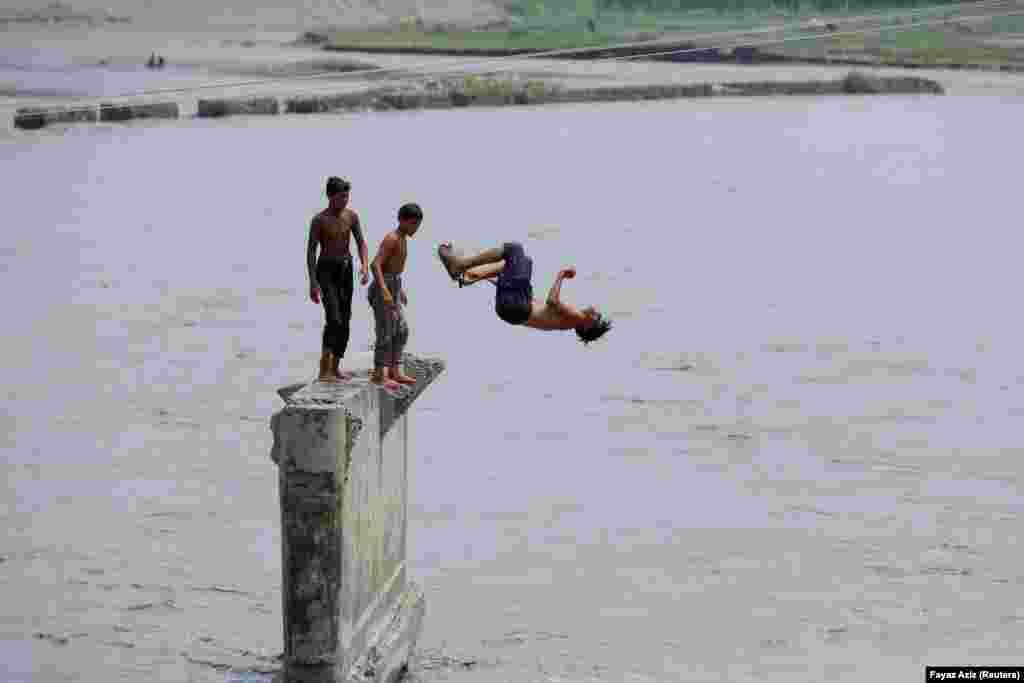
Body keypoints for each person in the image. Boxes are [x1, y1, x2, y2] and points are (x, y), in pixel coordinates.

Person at [437, 241, 612, 344]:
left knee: (514, 250)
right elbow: (537, 306)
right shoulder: (565, 322)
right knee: (523, 262)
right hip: (512, 310)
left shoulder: (577, 318)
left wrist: (561, 275)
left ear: (587, 326)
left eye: (596, 318)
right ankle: (469, 275)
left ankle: (460, 265)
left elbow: (552, 301)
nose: (595, 312)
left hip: (518, 307)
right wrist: (487, 279)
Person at [307, 176, 370, 382]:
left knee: (345, 319)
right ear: (330, 196)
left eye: (347, 197)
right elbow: (311, 251)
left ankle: (335, 367)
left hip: (345, 268)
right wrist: (313, 283)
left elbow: (361, 242)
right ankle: (323, 369)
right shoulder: (319, 220)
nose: (345, 201)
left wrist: (364, 265)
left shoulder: (351, 216)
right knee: (333, 318)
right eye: (341, 197)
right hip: (325, 270)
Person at [368, 203, 423, 389]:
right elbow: (376, 265)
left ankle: (395, 370)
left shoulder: (403, 238)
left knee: (401, 330)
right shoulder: (392, 238)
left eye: (418, 225)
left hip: (394, 285)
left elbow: (394, 268)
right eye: (413, 224)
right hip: (383, 287)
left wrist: (399, 290)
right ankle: (379, 373)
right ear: (403, 220)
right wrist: (385, 291)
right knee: (385, 331)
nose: (416, 229)